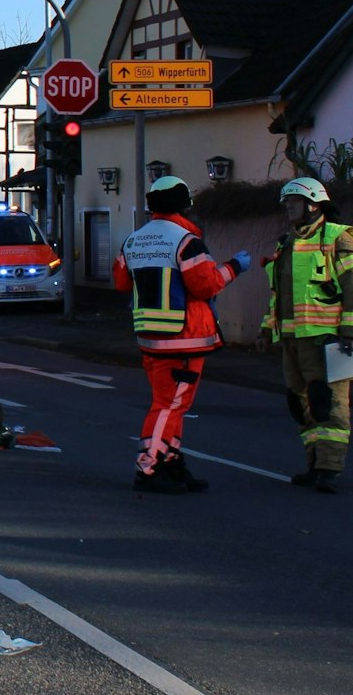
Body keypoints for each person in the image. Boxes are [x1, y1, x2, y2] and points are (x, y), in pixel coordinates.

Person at [112, 176, 250, 495]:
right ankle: (149, 467)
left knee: (172, 404)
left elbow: (121, 283)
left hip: (150, 337)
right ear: (184, 205)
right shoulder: (187, 241)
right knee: (168, 405)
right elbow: (206, 285)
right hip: (184, 339)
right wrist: (234, 267)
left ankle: (170, 463)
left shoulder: (133, 241)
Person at [259, 177, 353, 493]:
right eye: (287, 203)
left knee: (328, 403)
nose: (289, 208)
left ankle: (329, 468)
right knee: (299, 403)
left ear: (314, 205)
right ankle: (314, 464)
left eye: (294, 202)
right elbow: (278, 294)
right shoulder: (285, 243)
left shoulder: (338, 236)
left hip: (328, 338)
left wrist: (350, 328)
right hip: (292, 339)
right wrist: (267, 328)